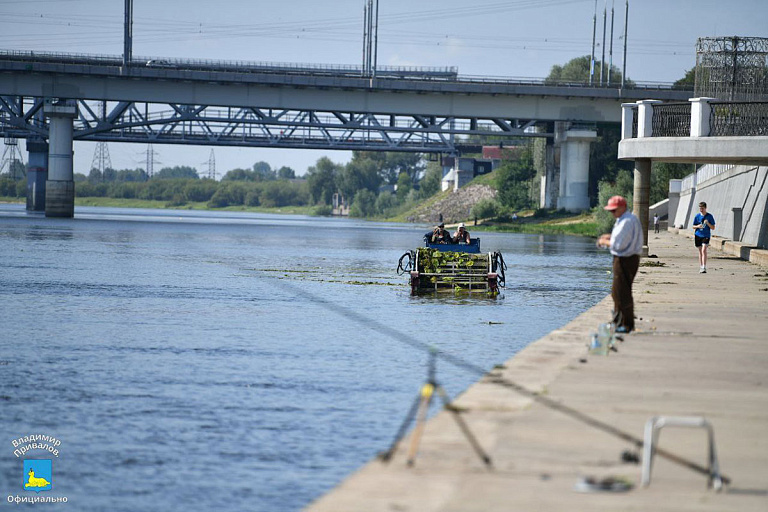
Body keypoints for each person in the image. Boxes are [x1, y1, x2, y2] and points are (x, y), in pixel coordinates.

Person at [597, 195, 643, 334]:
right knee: (617, 292)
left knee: (622, 293)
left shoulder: (626, 221)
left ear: (622, 207)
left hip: (625, 259)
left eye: (614, 210)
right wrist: (610, 236)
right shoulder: (626, 219)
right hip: (627, 258)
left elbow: (618, 245)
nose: (612, 213)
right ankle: (618, 321)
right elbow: (622, 239)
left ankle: (626, 324)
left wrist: (603, 242)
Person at [693, 201, 716, 273]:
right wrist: (698, 226)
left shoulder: (709, 216)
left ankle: (704, 266)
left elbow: (713, 227)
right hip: (698, 235)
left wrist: (708, 223)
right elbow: (693, 226)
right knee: (700, 251)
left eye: (702, 208)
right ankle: (701, 266)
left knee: (704, 250)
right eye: (700, 208)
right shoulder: (697, 216)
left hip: (706, 235)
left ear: (705, 208)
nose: (701, 210)